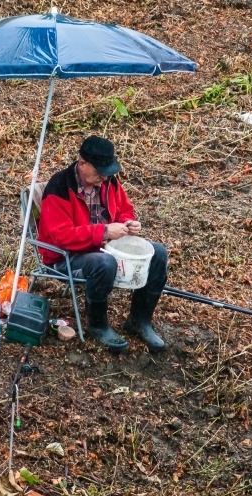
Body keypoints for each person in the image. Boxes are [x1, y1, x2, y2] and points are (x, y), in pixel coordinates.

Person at [37, 135, 168, 353]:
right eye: (99, 171)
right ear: (82, 164)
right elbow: (61, 237)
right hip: (65, 257)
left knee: (158, 253)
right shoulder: (59, 187)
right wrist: (105, 231)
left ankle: (140, 320)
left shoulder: (109, 182)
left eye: (107, 172)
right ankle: (97, 325)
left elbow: (124, 209)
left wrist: (128, 222)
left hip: (105, 248)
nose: (104, 177)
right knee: (104, 263)